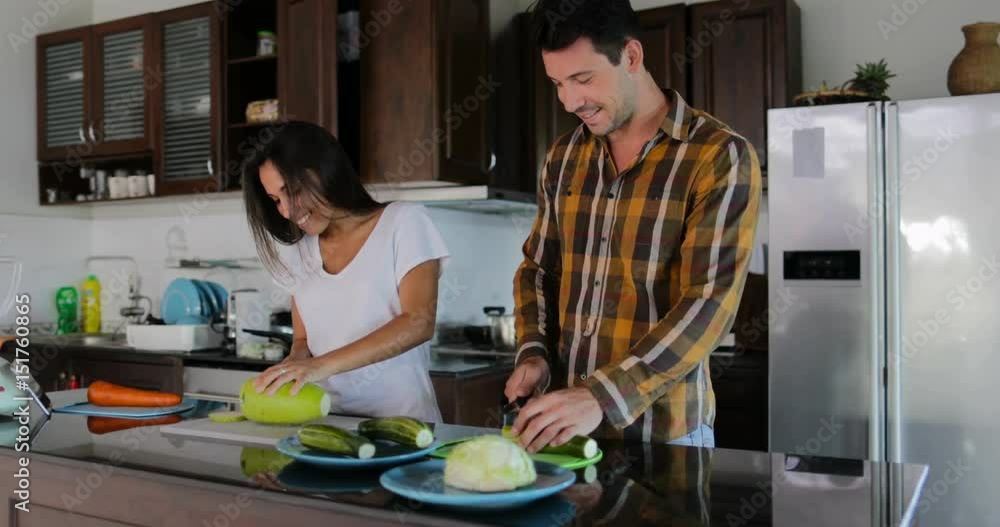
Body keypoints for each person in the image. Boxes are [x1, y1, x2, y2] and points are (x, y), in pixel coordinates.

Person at [504, 0, 761, 450]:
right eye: (558, 83)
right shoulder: (563, 158)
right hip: (567, 431)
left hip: (665, 436)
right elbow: (539, 271)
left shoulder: (718, 156)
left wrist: (599, 396)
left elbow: (709, 303)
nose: (570, 101)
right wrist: (533, 352)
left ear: (631, 56)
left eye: (583, 79)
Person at [243, 121, 449, 423]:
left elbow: (418, 323)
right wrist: (292, 366)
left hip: (403, 424)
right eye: (276, 200)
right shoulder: (299, 250)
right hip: (327, 422)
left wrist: (320, 366)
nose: (286, 211)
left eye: (293, 191)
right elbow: (303, 340)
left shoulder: (404, 222)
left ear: (325, 170)